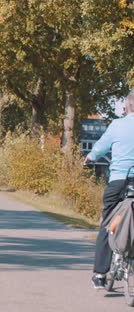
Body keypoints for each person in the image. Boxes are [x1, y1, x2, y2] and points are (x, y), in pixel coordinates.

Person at [85, 89, 134, 289]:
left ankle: (100, 273)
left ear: (127, 106)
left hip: (119, 182)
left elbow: (99, 148)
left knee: (107, 223)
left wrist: (89, 159)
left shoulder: (117, 125)